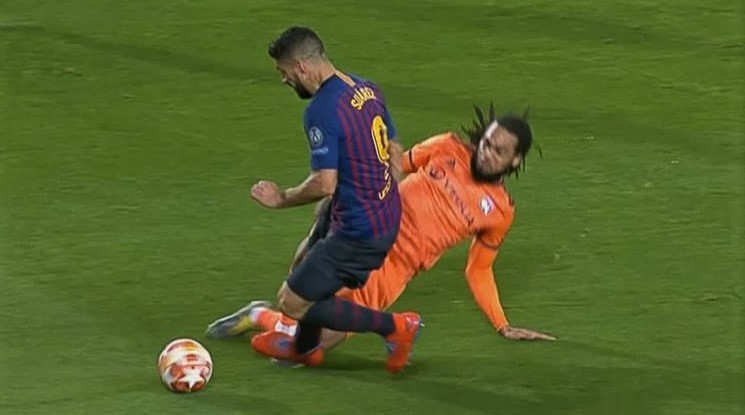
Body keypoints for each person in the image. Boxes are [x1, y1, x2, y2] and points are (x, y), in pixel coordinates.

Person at [206, 103, 555, 363]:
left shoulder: (500, 211)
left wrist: (502, 324)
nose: (486, 153)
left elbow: (479, 270)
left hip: (395, 270)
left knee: (314, 345)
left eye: (498, 151)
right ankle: (282, 323)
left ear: (515, 161)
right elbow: (394, 165)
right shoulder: (448, 147)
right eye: (486, 143)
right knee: (306, 290)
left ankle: (260, 316)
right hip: (368, 231)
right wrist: (348, 192)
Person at [246, 26, 422, 374]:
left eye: (284, 72)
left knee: (292, 302)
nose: (284, 80)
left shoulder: (321, 111)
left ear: (301, 66)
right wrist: (381, 193)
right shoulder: (366, 88)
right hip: (370, 210)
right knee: (303, 261)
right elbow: (394, 148)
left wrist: (281, 198)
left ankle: (397, 327)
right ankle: (305, 348)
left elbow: (325, 182)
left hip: (360, 229)